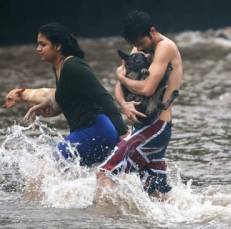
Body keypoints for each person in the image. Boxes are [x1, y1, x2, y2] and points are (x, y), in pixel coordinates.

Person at [96, 10, 183, 197]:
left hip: (156, 126)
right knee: (154, 195)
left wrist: (120, 77)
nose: (139, 49)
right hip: (143, 128)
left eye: (141, 43)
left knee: (104, 173)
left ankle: (105, 225)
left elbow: (147, 89)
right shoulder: (138, 49)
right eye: (135, 45)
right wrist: (124, 104)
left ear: (152, 31)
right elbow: (119, 85)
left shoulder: (165, 47)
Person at [25, 23, 128, 166]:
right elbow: (73, 99)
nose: (38, 49)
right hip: (88, 132)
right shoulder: (57, 68)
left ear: (58, 46)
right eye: (38, 44)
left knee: (45, 165)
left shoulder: (73, 66)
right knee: (85, 180)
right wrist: (49, 108)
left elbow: (103, 97)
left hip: (98, 130)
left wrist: (123, 134)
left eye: (43, 44)